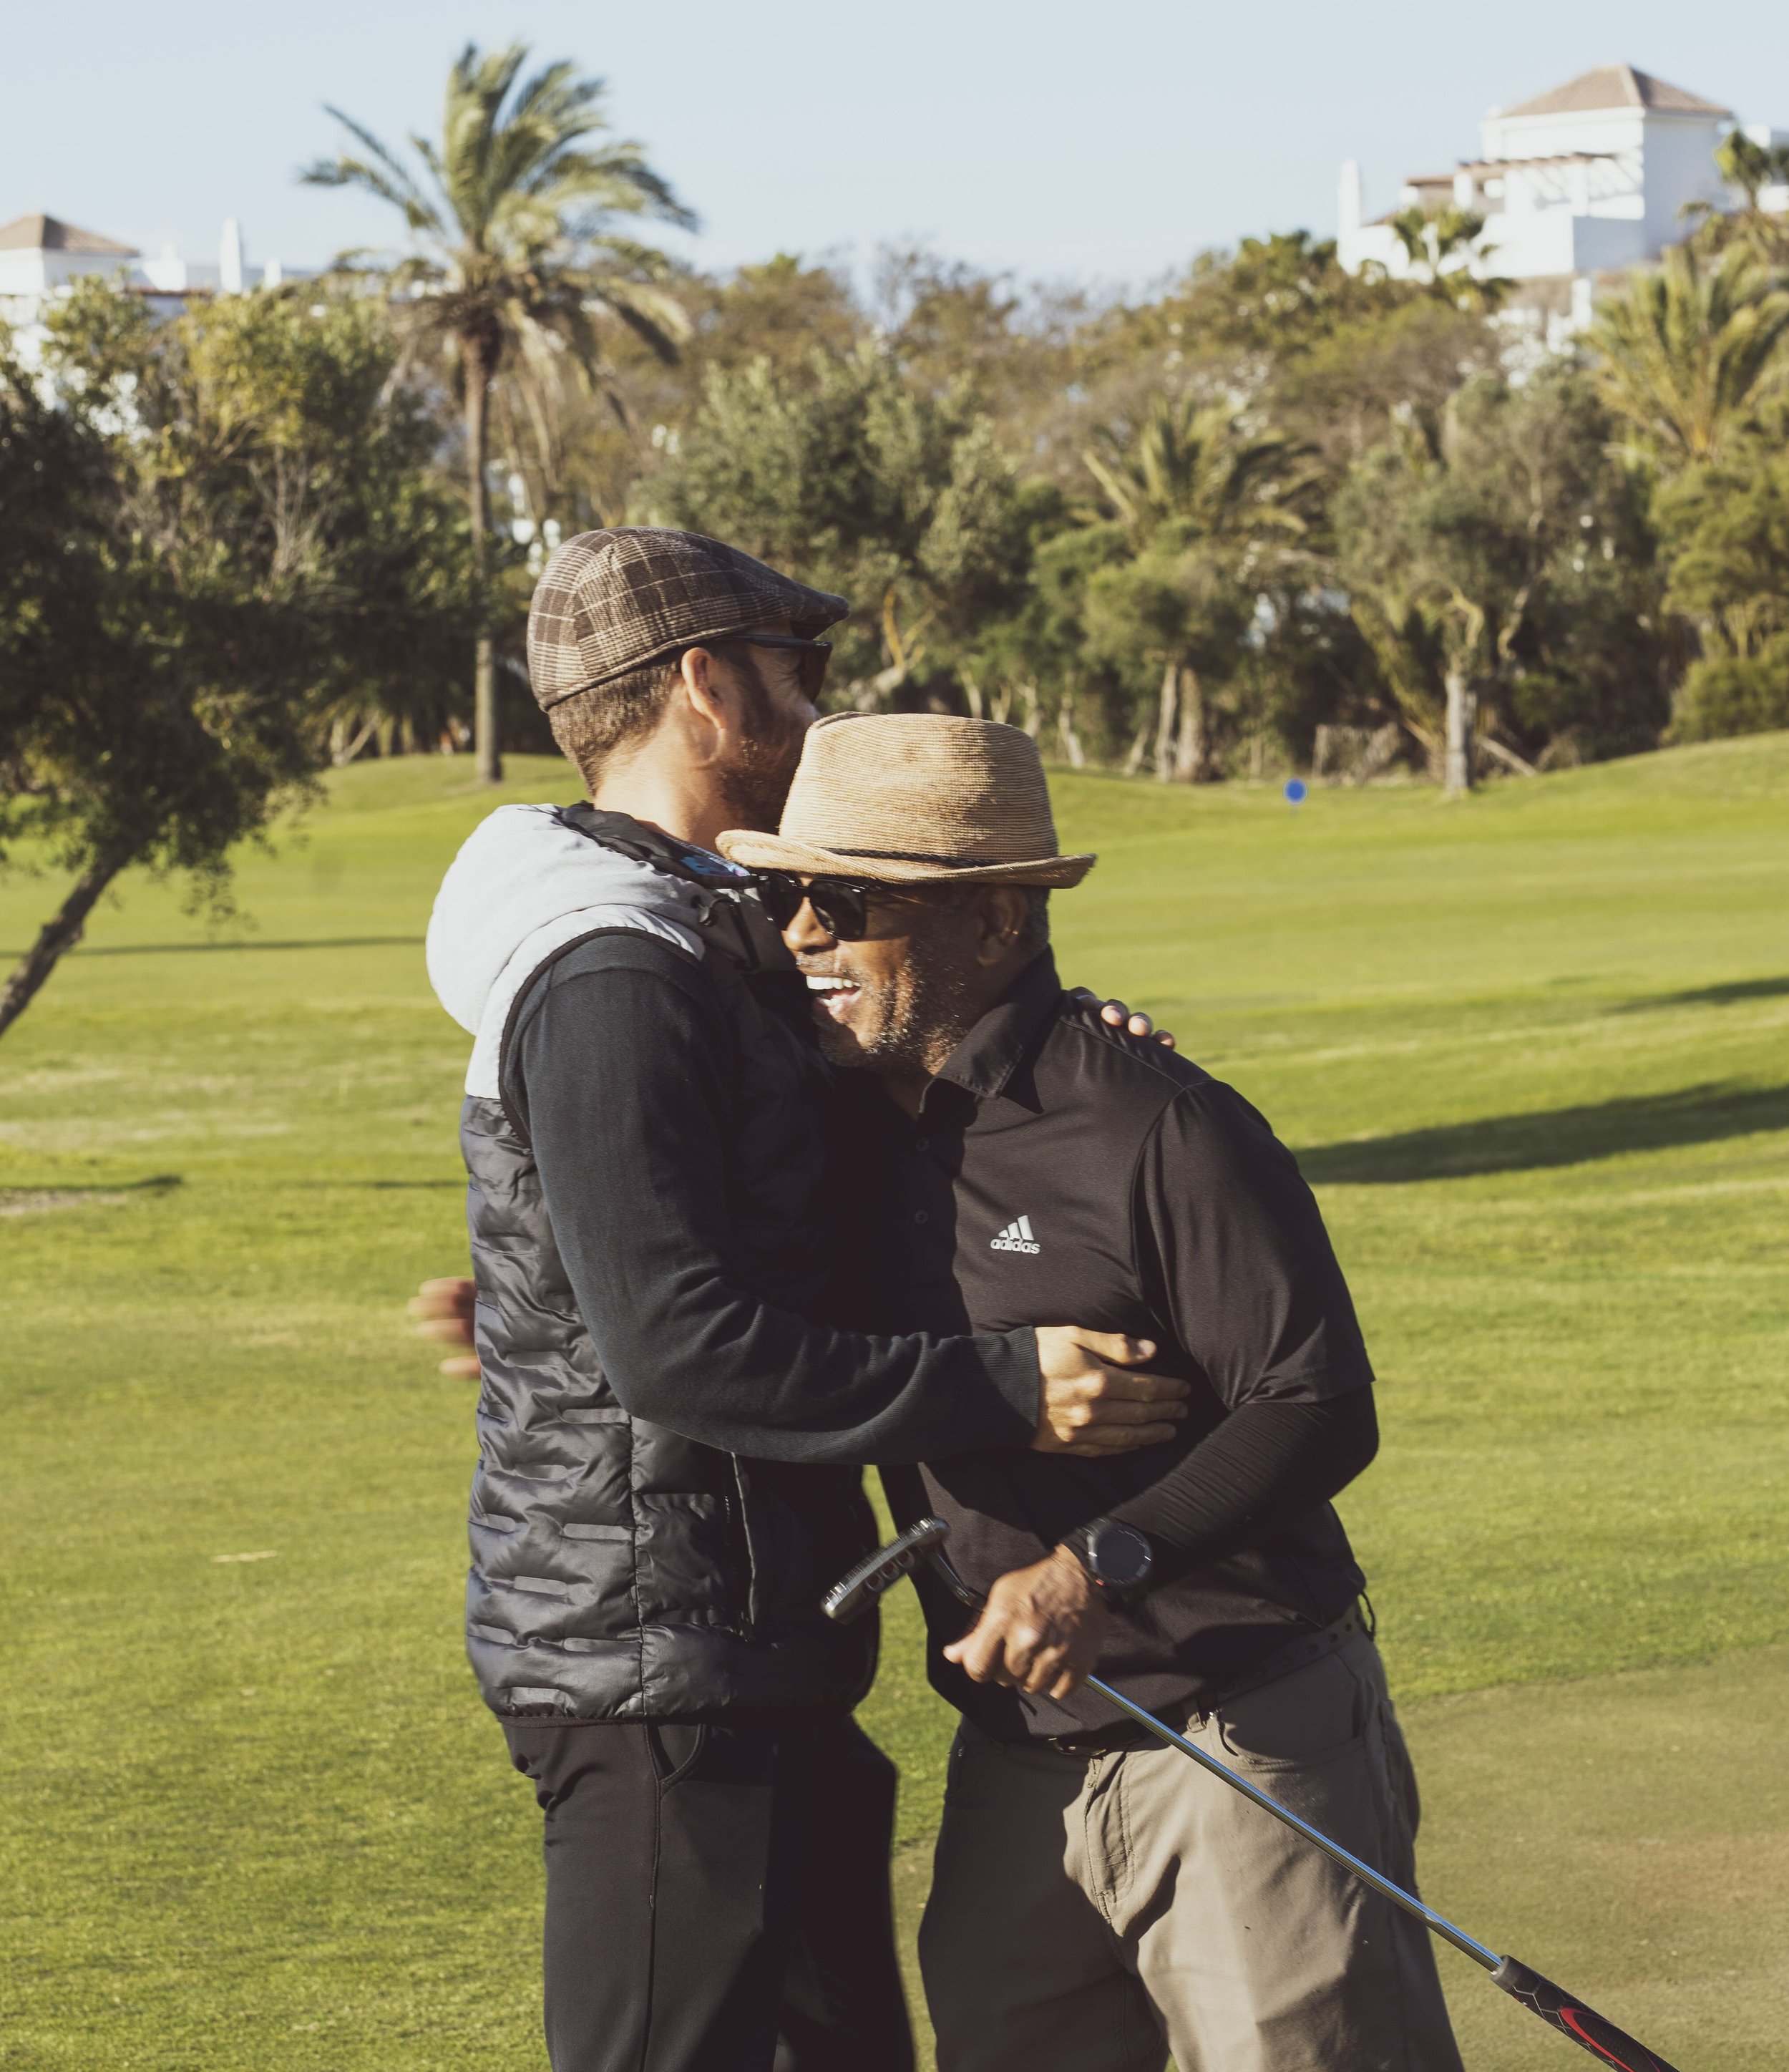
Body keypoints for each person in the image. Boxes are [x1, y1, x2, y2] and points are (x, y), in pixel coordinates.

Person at [420, 527, 1186, 2072]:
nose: (818, 709)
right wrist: (1007, 1381)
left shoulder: (698, 922)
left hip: (744, 1646)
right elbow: (676, 1345)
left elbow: (750, 1225)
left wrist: (1047, 1033)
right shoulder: (614, 967)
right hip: (659, 1675)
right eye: (797, 672)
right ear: (705, 687)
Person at [717, 711, 1466, 2072]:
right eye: (787, 894)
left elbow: (1316, 1403)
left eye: (852, 899)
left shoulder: (1158, 1126)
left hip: (1240, 1740)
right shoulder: (831, 1127)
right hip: (1016, 1770)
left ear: (996, 919)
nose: (805, 933)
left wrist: (1095, 1568)